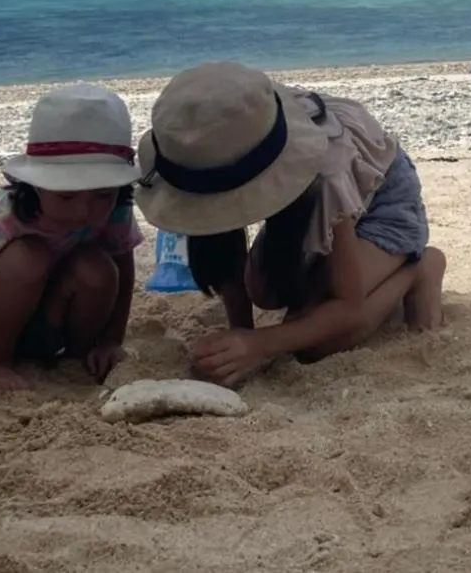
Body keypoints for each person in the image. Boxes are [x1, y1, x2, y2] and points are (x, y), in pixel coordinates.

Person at [134, 60, 445, 387]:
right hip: (306, 202)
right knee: (264, 290)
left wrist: (259, 345)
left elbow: (349, 304)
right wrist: (240, 336)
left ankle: (418, 268)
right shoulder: (219, 145)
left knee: (319, 343)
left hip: (380, 195)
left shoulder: (325, 171)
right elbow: (223, 249)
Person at [0, 83, 144, 404]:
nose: (84, 210)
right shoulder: (1, 217)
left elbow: (123, 270)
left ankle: (78, 356)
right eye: (66, 195)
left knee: (97, 265)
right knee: (27, 258)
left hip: (53, 322)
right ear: (35, 185)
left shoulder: (116, 209)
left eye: (102, 195)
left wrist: (110, 340)